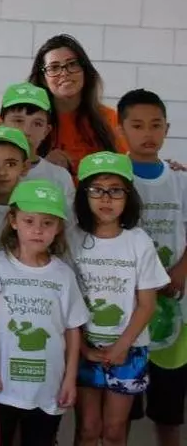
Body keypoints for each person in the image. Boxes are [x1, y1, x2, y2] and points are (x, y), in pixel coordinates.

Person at [69, 151, 169, 446]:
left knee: (114, 431)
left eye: (115, 190)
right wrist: (83, 348)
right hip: (84, 348)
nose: (106, 198)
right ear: (84, 194)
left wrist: (122, 346)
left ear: (128, 196)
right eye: (97, 190)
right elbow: (65, 301)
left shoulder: (138, 241)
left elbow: (147, 304)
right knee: (87, 429)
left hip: (129, 349)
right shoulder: (72, 238)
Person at [0, 179, 89, 446]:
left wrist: (70, 379)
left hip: (48, 387)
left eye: (47, 223)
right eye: (29, 221)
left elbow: (72, 330)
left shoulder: (63, 275)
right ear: (13, 221)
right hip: (1, 387)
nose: (38, 230)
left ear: (59, 227)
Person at [116, 89, 187, 446]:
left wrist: (181, 270)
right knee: (121, 413)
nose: (148, 133)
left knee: (169, 413)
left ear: (167, 129)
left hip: (174, 304)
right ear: (121, 129)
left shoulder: (180, 180)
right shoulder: (114, 180)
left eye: (156, 125)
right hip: (126, 311)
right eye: (138, 125)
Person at [28, 35, 127, 174]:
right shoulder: (28, 122)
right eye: (54, 67)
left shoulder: (110, 118)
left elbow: (128, 172)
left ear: (85, 70)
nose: (64, 73)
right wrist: (41, 166)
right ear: (43, 79)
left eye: (72, 64)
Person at [0, 82, 75, 207]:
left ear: (46, 131)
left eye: (37, 123)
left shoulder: (59, 177)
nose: (26, 131)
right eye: (18, 121)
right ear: (0, 124)